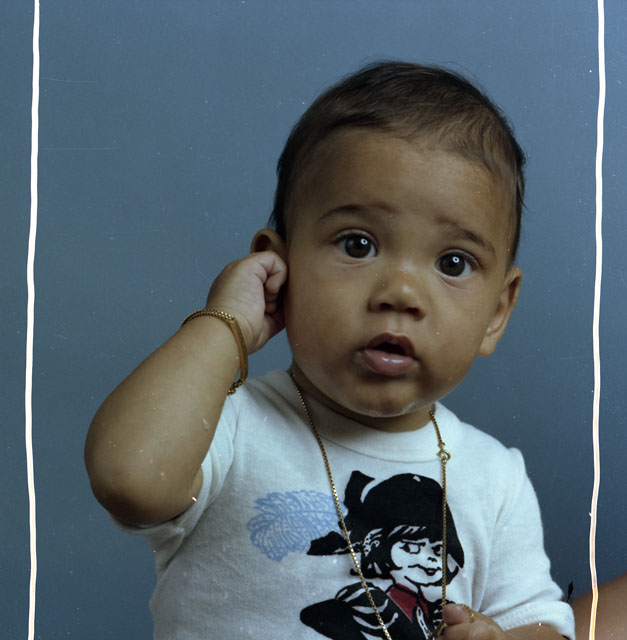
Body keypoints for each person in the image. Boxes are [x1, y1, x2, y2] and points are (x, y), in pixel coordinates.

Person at [85, 61, 574, 639]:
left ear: (496, 312)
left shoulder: (495, 478)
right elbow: (128, 479)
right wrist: (225, 325)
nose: (401, 292)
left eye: (453, 262)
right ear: (278, 265)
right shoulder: (228, 424)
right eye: (358, 245)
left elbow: (543, 625)